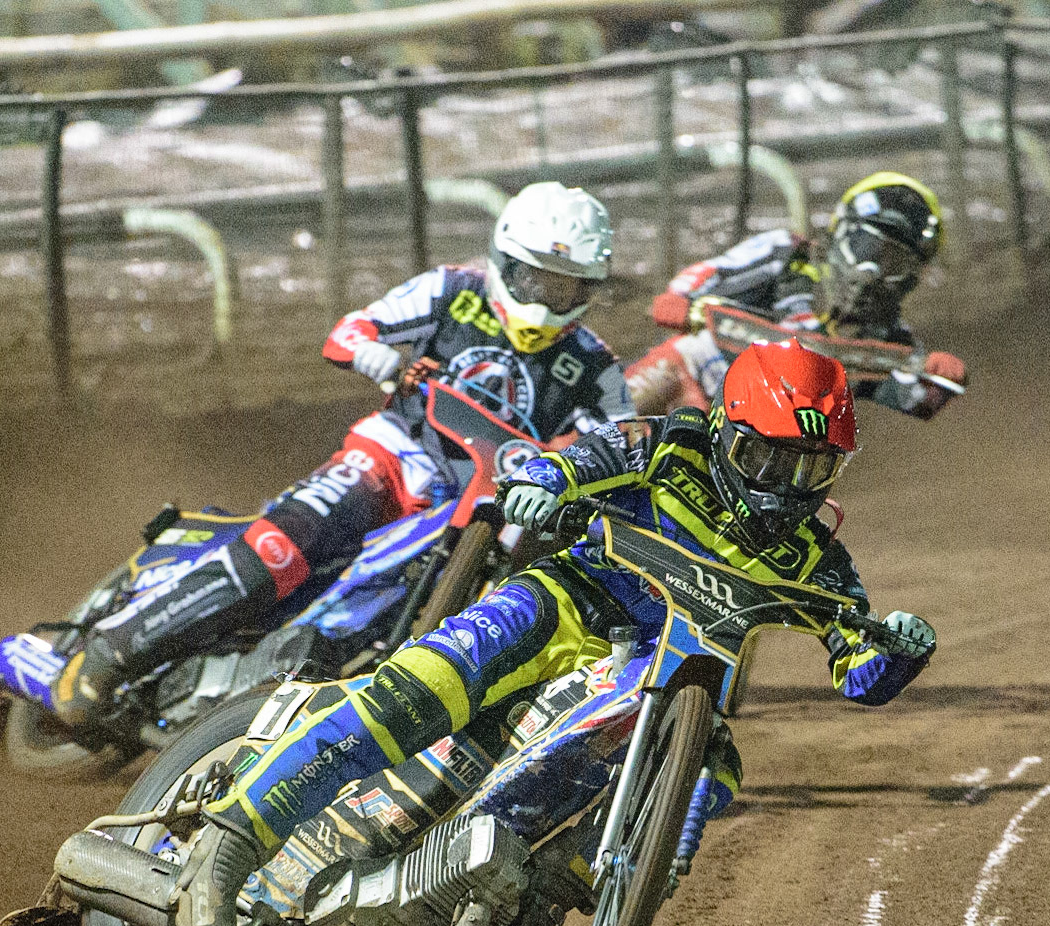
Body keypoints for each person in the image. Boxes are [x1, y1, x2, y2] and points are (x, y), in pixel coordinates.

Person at [168, 339, 939, 926]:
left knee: (715, 767)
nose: (780, 486)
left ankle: (541, 904)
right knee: (429, 681)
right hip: (564, 610)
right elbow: (569, 465)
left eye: (808, 469)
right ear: (724, 430)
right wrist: (541, 489)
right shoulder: (662, 443)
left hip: (655, 680)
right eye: (765, 456)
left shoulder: (820, 562)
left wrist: (896, 653)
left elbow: (859, 674)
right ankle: (228, 845)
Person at [43, 182, 634, 740]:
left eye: (567, 288)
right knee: (284, 547)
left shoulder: (594, 364)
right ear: (506, 263)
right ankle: (112, 648)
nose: (550, 299)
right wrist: (380, 357)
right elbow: (350, 331)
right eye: (538, 279)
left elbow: (625, 440)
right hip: (392, 458)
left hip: (485, 516)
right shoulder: (455, 291)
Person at [625, 171, 968, 420]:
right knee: (680, 358)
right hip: (700, 383)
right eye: (867, 248)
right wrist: (683, 301)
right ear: (843, 232)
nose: (873, 270)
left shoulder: (886, 338)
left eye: (894, 262)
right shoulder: (787, 253)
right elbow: (699, 281)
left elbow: (915, 397)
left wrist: (941, 380)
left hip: (770, 437)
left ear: (911, 277)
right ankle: (579, 450)